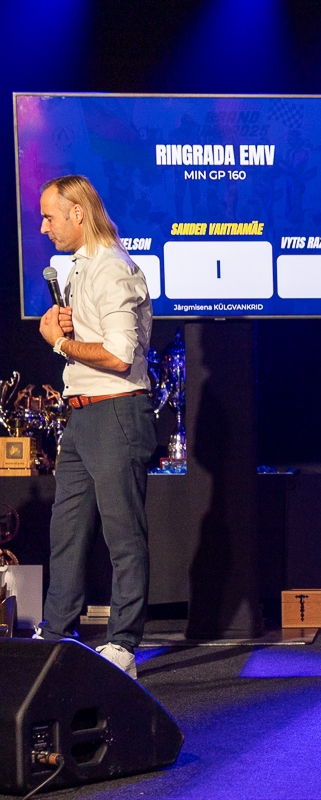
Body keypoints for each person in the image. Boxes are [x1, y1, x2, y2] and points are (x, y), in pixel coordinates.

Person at [35, 175, 155, 678]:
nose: (44, 228)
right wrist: (66, 331)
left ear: (78, 213)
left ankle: (123, 644)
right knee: (66, 531)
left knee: (123, 535)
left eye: (50, 217)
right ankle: (55, 633)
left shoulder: (111, 268)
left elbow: (119, 355)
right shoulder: (81, 267)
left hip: (116, 411)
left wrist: (60, 343)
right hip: (82, 414)